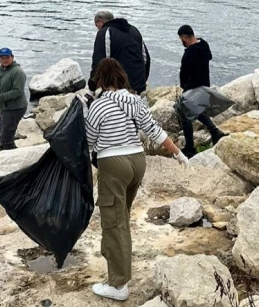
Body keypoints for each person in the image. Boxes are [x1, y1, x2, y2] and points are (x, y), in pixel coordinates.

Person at [86, 58, 188, 301]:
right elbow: (153, 129)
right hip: (137, 161)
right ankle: (114, 258)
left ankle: (118, 285)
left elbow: (88, 140)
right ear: (121, 76)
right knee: (121, 217)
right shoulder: (135, 101)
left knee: (114, 223)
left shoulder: (98, 105)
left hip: (114, 164)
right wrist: (178, 152)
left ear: (101, 79)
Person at [177, 25, 227, 158]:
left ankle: (189, 148)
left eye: (181, 39)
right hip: (204, 86)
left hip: (193, 88)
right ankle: (215, 131)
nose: (182, 42)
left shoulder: (189, 54)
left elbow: (185, 73)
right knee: (197, 110)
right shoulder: (204, 45)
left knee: (184, 113)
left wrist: (184, 86)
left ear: (184, 37)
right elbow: (208, 57)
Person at [90, 10, 151, 95]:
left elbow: (99, 62)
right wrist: (143, 81)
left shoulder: (105, 32)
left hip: (119, 87)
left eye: (97, 26)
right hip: (139, 86)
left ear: (100, 21)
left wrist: (92, 86)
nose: (98, 29)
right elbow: (146, 58)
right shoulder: (133, 30)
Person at [0, 47, 27, 150]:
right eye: (2, 58)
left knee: (6, 138)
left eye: (7, 57)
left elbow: (17, 92)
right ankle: (4, 151)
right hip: (3, 106)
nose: (5, 60)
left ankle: (15, 158)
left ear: (12, 57)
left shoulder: (18, 72)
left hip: (15, 107)